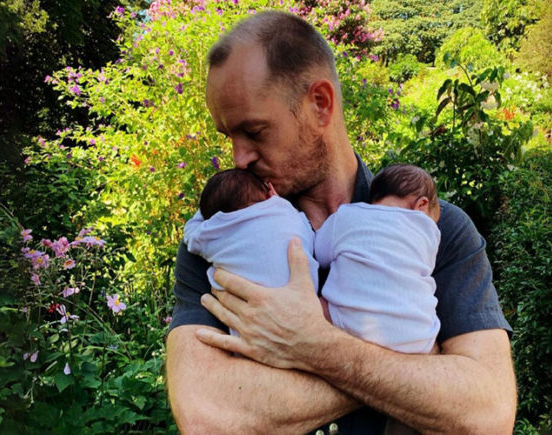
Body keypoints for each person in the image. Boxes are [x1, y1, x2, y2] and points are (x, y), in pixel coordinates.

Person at [165, 10, 516, 434]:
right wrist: (414, 366)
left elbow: (486, 414)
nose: (239, 159)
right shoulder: (219, 231)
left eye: (254, 132)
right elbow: (207, 418)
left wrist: (313, 344)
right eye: (229, 137)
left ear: (320, 104)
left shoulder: (436, 228)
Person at [315, 164, 442, 354]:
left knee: (311, 307)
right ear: (422, 205)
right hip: (416, 335)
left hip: (347, 322)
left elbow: (320, 254)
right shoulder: (428, 230)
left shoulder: (346, 215)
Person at [183, 168, 319, 337]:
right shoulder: (286, 211)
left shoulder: (213, 230)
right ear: (269, 192)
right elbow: (309, 233)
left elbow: (190, 235)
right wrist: (277, 201)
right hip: (308, 315)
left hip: (250, 332)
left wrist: (203, 215)